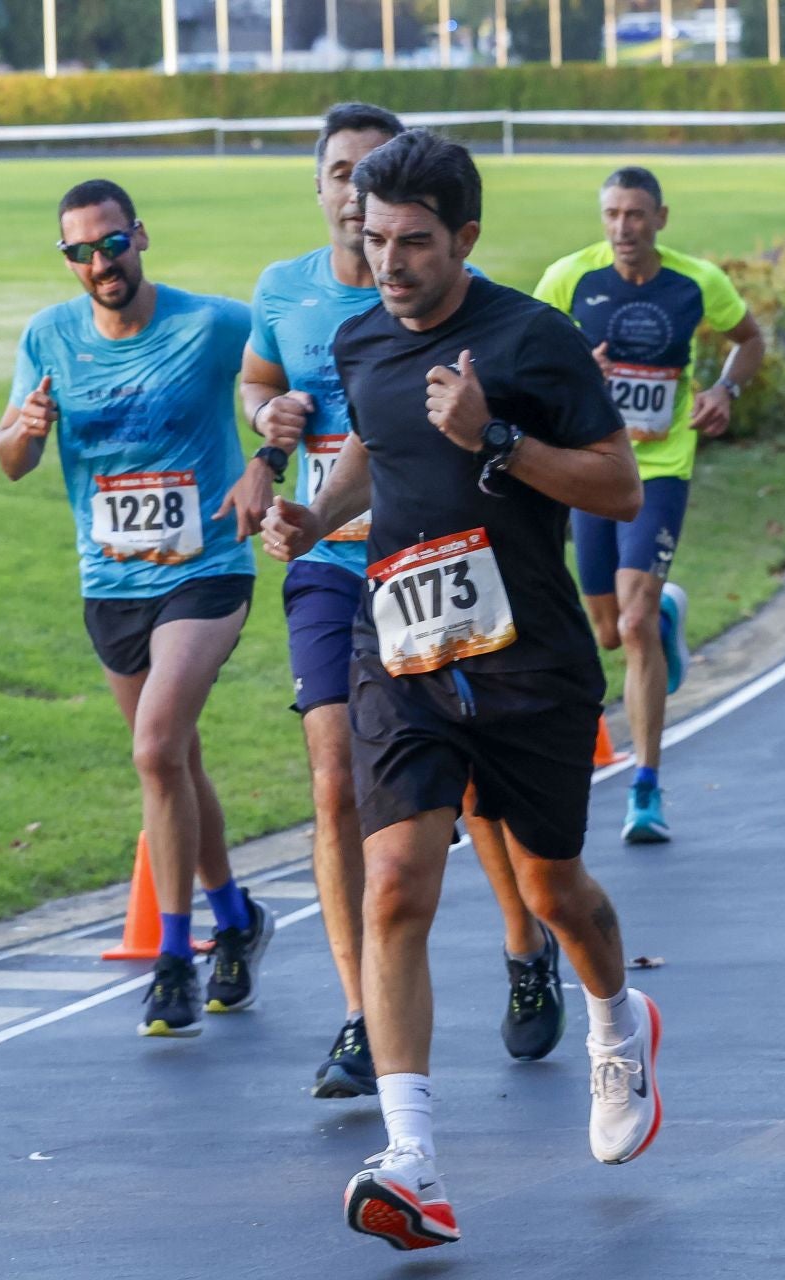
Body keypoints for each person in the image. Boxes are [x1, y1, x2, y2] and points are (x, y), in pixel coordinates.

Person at [262, 129, 659, 1251]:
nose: (390, 262)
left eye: (415, 243)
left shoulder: (532, 339)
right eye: (373, 237)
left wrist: (499, 438)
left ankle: (618, 1024)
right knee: (392, 881)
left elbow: (619, 487)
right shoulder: (358, 343)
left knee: (552, 889)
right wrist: (315, 515)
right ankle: (414, 1160)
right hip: (405, 650)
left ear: (466, 238)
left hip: (526, 655)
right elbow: (375, 457)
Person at [234, 104, 568, 1096]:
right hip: (335, 562)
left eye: (368, 178)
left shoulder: (445, 307)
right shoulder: (286, 294)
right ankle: (360, 1014)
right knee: (336, 777)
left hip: (442, 558)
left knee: (472, 779)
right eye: (338, 175)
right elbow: (259, 386)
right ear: (324, 187)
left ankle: (522, 940)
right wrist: (270, 427)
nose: (351, 194)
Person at [0, 179, 275, 1038]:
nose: (99, 263)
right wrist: (28, 429)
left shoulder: (212, 324)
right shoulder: (49, 336)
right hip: (112, 582)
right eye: (79, 251)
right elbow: (10, 459)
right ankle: (235, 918)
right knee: (174, 760)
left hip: (207, 566)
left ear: (141, 236)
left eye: (111, 243)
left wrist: (268, 456)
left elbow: (293, 373)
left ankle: (172, 957)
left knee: (154, 748)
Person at [532, 167, 764, 844]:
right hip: (591, 464)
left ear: (661, 217)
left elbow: (749, 339)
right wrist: (580, 368)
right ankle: (664, 611)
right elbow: (522, 357)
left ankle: (646, 788)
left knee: (631, 629)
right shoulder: (569, 279)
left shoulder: (696, 282)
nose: (622, 228)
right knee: (607, 630)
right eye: (610, 214)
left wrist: (725, 391)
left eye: (635, 215)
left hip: (660, 467)